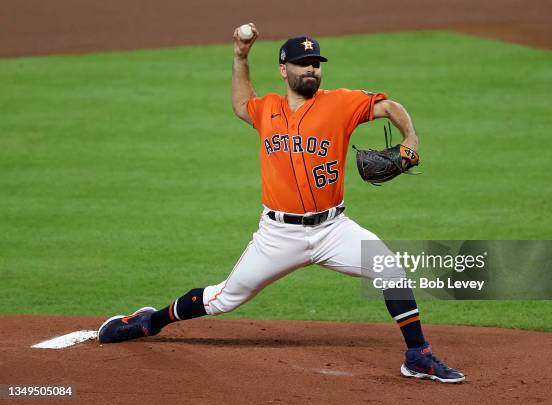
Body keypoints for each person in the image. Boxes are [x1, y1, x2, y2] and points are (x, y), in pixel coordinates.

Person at [97, 23, 465, 383]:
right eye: (303, 63)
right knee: (224, 299)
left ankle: (418, 356)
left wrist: (411, 136)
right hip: (278, 235)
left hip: (333, 228)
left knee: (391, 269)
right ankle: (149, 321)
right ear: (283, 69)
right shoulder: (267, 109)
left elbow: (389, 107)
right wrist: (240, 56)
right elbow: (242, 103)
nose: (311, 69)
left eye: (316, 63)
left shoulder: (341, 103)